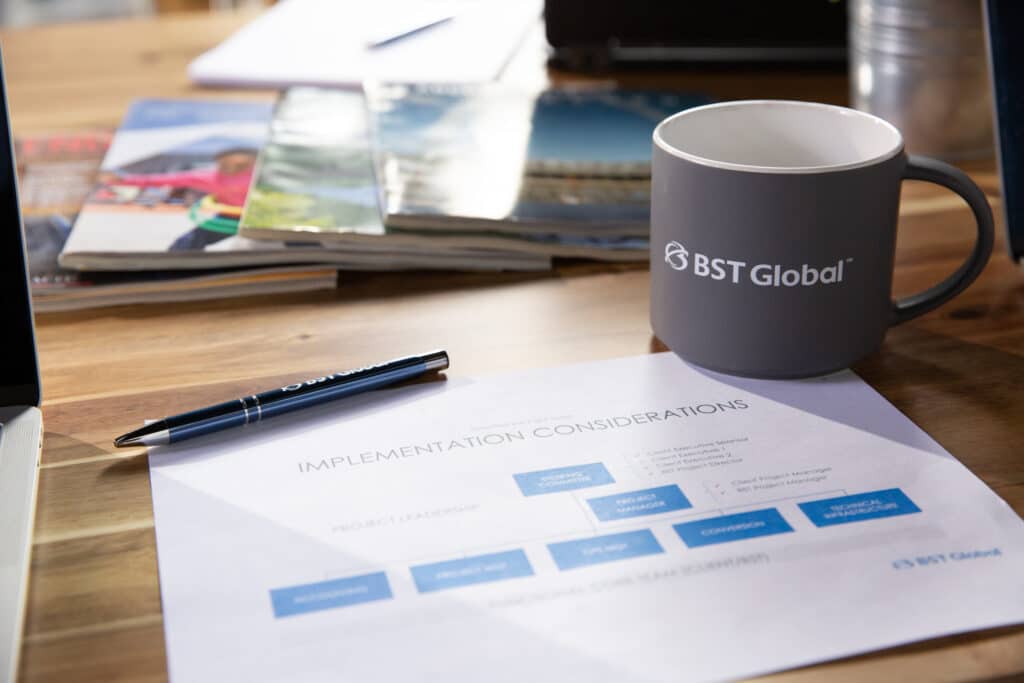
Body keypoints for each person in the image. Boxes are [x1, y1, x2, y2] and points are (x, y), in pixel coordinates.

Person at [100, 147, 259, 250]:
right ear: (221, 161)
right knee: (185, 243)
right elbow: (164, 179)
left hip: (259, 216)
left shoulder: (259, 175)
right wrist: (123, 180)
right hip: (229, 217)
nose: (237, 161)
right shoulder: (209, 178)